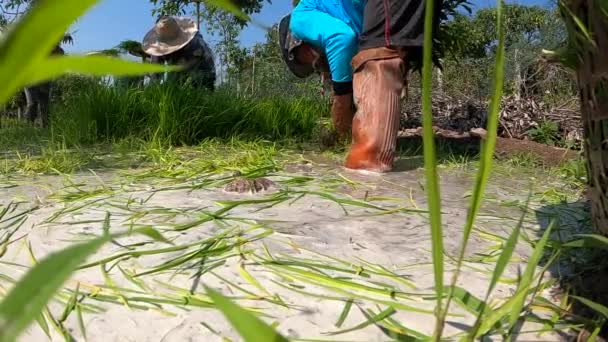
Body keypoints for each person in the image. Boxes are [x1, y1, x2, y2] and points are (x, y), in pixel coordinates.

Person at [279, 0, 364, 140]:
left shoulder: (300, 18)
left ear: (298, 45)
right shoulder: (346, 20)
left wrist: (341, 102)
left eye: (314, 64)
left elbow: (342, 38)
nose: (316, 65)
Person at [143, 16, 216, 91]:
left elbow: (203, 71)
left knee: (197, 88)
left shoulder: (195, 43)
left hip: (200, 74)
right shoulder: (158, 45)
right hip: (179, 72)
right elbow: (155, 72)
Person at [23, 44, 65, 128]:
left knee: (44, 106)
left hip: (44, 83)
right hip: (30, 82)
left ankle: (45, 127)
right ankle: (28, 127)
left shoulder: (58, 52)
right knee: (32, 104)